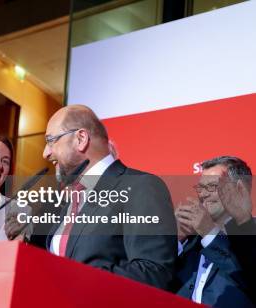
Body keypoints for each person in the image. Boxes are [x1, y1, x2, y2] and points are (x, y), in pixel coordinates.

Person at [40, 104, 176, 290]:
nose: (45, 153)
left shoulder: (140, 186)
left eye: (51, 141)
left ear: (80, 139)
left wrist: (78, 280)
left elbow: (153, 271)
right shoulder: (72, 202)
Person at [174, 156, 255, 306]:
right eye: (200, 188)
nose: (203, 194)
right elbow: (156, 280)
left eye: (211, 186)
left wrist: (210, 234)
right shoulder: (191, 239)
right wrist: (175, 241)